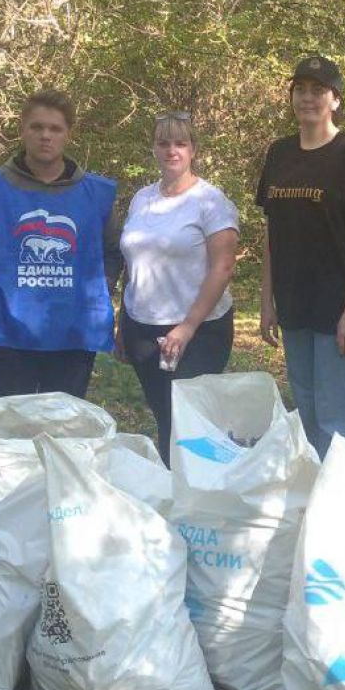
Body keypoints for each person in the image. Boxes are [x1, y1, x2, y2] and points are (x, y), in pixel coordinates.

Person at [256, 56, 345, 458]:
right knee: (308, 414)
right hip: (295, 305)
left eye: (318, 91)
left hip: (337, 310)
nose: (308, 98)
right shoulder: (279, 154)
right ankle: (314, 498)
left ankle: (344, 508)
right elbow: (271, 233)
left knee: (338, 422)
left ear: (335, 100)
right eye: (300, 90)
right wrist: (267, 302)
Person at [0, 89, 120, 400]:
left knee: (61, 430)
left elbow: (113, 251)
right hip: (8, 333)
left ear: (68, 135)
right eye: (37, 127)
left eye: (55, 128)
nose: (46, 136)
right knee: (6, 430)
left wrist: (97, 292)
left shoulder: (95, 194)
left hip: (72, 333)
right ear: (23, 130)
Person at [116, 112, 239, 465]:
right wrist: (123, 322)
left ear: (193, 150)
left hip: (198, 330)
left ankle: (203, 494)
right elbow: (132, 263)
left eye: (180, 143)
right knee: (164, 415)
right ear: (153, 149)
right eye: (164, 143)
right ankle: (174, 495)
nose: (172, 150)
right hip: (141, 325)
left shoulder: (211, 202)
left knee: (192, 423)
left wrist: (186, 329)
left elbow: (223, 267)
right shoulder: (141, 199)